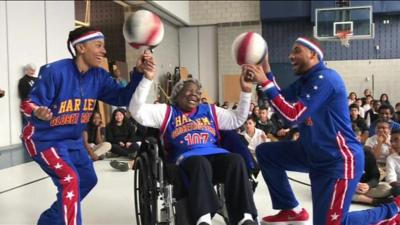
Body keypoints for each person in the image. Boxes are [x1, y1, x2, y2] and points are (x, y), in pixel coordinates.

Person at [244, 36, 400, 225]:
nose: (290, 56)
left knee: (330, 223)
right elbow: (281, 99)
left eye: (296, 51)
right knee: (266, 153)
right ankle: (291, 208)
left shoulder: (326, 78)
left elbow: (292, 116)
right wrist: (266, 70)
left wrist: (265, 82)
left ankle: (392, 210)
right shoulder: (305, 81)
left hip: (338, 160)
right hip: (313, 152)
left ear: (312, 54)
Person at [19, 26, 151, 225]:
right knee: (70, 180)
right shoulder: (55, 71)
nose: (104, 51)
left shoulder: (98, 76)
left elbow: (121, 96)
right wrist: (38, 111)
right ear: (81, 48)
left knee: (88, 180)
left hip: (72, 141)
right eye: (98, 46)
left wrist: (139, 73)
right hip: (44, 140)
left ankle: (48, 222)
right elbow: (27, 103)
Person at [128, 62, 258, 225]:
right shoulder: (167, 112)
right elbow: (136, 111)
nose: (194, 94)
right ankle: (202, 219)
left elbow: (236, 119)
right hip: (186, 161)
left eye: (197, 92)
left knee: (236, 160)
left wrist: (246, 91)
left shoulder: (210, 110)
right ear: (177, 94)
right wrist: (147, 79)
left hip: (215, 155)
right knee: (200, 162)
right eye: (189, 90)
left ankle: (243, 217)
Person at [386, 129, 400, 197]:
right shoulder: (391, 158)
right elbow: (391, 178)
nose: (393, 144)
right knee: (395, 190)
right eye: (391, 141)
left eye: (396, 140)